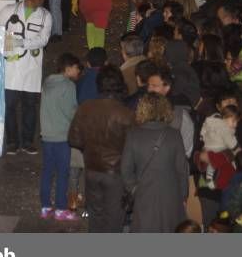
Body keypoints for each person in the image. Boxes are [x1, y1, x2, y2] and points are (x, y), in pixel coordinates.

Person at [68, 64, 134, 232]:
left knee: (95, 218)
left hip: (92, 170)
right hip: (116, 174)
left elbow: (73, 139)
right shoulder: (126, 114)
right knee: (113, 220)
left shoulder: (86, 108)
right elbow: (134, 148)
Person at [0, 0, 52, 155]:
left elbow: (43, 40)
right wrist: (2, 39)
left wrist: (20, 42)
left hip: (32, 68)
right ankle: (12, 141)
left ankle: (27, 141)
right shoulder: (10, 11)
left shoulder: (46, 16)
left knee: (30, 106)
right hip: (11, 67)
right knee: (9, 105)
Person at [121, 93, 189, 233]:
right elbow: (182, 169)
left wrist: (134, 189)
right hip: (171, 195)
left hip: (144, 194)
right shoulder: (174, 134)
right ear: (165, 109)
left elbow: (125, 169)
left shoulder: (133, 135)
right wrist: (183, 195)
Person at [39, 53, 81, 221]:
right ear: (68, 68)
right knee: (63, 173)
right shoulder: (69, 86)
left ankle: (45, 206)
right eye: (77, 68)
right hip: (62, 137)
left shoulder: (48, 82)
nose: (78, 71)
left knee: (47, 172)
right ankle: (61, 209)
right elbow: (71, 111)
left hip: (47, 135)